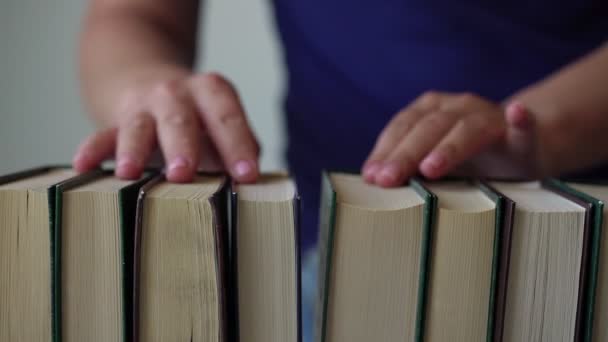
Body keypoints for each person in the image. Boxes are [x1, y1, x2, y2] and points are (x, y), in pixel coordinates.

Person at [73, 0, 608, 340]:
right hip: (333, 264)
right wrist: (145, 89)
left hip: (578, 256)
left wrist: (543, 129)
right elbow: (135, 15)